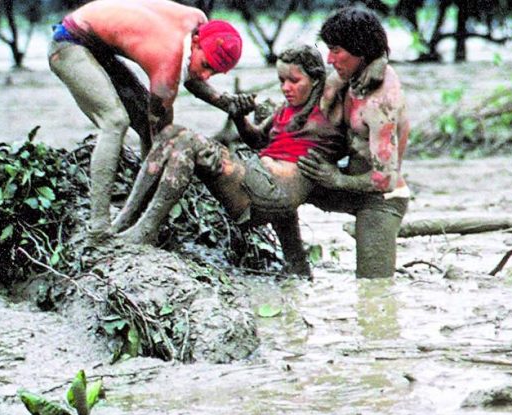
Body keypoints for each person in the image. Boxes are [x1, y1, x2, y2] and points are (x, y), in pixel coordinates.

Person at [112, 44, 344, 276]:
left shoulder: (326, 107)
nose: (285, 88)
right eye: (281, 80)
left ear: (316, 80)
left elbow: (347, 73)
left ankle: (147, 229)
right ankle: (125, 220)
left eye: (294, 81)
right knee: (168, 133)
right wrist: (239, 116)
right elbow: (256, 139)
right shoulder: (285, 109)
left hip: (272, 192)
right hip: (265, 181)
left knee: (187, 141)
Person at [48, 0, 245, 241]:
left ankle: (137, 213)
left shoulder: (198, 22)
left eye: (213, 72)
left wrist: (227, 102)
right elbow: (161, 138)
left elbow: (193, 76)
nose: (206, 75)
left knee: (143, 122)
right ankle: (98, 228)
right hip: (68, 43)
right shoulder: (167, 63)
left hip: (99, 46)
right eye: (206, 65)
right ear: (195, 42)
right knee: (115, 122)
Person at [297, 7, 410, 279]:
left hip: (379, 197)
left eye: (336, 50)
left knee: (374, 289)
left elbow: (385, 179)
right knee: (278, 188)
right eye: (329, 49)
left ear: (359, 49)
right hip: (348, 175)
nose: (330, 58)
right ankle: (295, 268)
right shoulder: (351, 75)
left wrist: (336, 179)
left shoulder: (380, 100)